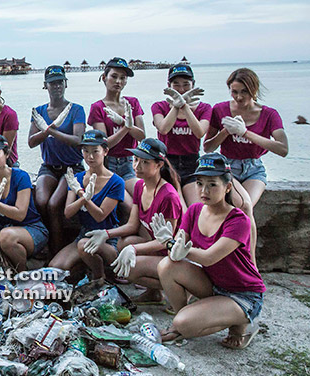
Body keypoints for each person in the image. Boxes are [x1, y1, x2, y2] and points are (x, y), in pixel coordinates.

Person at [154, 153, 265, 349]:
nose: (204, 190)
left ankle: (241, 322)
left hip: (242, 293)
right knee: (166, 265)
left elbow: (209, 258)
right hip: (214, 285)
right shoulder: (194, 211)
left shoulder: (238, 220)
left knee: (184, 322)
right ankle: (184, 323)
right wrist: (168, 242)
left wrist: (175, 246)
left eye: (212, 184)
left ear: (228, 187)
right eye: (199, 183)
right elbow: (176, 251)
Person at [82, 138, 182, 303]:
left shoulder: (168, 196)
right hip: (157, 247)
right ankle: (153, 293)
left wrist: (134, 249)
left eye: (145, 162)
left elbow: (167, 241)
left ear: (159, 165)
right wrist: (106, 233)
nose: (137, 166)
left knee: (128, 269)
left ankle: (179, 289)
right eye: (136, 160)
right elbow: (132, 224)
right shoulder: (140, 186)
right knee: (122, 245)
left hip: (174, 254)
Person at [205, 68, 288, 264]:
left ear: (254, 90)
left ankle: (249, 263)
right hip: (226, 168)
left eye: (244, 91)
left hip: (254, 168)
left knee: (245, 206)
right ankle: (240, 260)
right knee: (243, 206)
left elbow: (283, 149)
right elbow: (208, 147)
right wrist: (226, 131)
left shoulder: (268, 114)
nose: (239, 97)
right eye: (234, 92)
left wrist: (245, 132)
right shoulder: (220, 109)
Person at [48, 130, 124, 286]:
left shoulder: (116, 181)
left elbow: (100, 216)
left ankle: (99, 276)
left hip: (106, 237)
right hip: (84, 233)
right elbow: (68, 212)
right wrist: (81, 194)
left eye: (95, 151)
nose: (90, 157)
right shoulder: (77, 178)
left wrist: (83, 195)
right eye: (86, 151)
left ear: (105, 151)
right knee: (54, 269)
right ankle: (85, 264)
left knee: (84, 246)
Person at [28, 65, 85, 254]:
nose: (57, 87)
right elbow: (31, 142)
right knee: (41, 201)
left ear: (66, 83)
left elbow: (77, 141)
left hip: (73, 167)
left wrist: (50, 129)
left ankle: (57, 249)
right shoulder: (39, 111)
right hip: (49, 167)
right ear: (46, 86)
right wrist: (45, 129)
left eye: (60, 82)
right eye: (52, 83)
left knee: (54, 204)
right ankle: (42, 240)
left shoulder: (76, 109)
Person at [0, 134, 48, 270]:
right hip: (3, 228)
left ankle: (22, 274)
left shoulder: (20, 176)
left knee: (7, 236)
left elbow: (20, 214)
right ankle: (7, 266)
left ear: (6, 154)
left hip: (31, 228)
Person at [152, 64, 211, 208]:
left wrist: (184, 105)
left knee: (196, 208)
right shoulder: (159, 106)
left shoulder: (205, 108)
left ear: (193, 85)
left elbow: (199, 132)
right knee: (178, 205)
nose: (181, 89)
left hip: (191, 163)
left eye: (186, 85)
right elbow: (164, 128)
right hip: (167, 163)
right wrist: (176, 106)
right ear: (169, 86)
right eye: (176, 85)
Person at [88, 57, 146, 202]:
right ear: (104, 77)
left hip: (130, 163)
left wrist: (125, 123)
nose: (118, 81)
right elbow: (105, 144)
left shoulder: (132, 103)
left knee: (143, 199)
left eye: (123, 78)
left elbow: (142, 137)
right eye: (114, 76)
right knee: (126, 205)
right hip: (108, 164)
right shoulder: (98, 107)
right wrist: (126, 127)